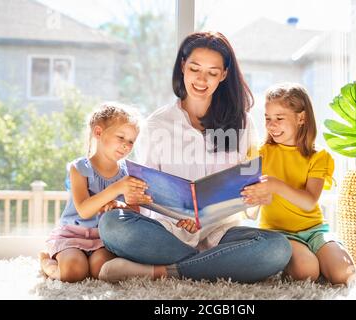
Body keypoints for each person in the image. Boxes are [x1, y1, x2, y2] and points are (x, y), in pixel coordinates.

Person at [98, 31, 292, 283]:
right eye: (195, 69)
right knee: (112, 225)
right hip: (170, 232)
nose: (202, 79)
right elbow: (143, 190)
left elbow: (249, 187)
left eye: (212, 72)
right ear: (182, 67)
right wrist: (132, 199)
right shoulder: (157, 124)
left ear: (223, 75)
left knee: (277, 248)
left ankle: (165, 271)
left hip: (223, 232)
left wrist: (259, 195)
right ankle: (216, 263)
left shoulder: (242, 123)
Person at [240, 83, 356, 285]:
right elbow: (248, 207)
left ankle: (324, 256)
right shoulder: (259, 154)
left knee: (344, 274)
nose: (271, 125)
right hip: (278, 234)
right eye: (267, 118)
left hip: (315, 230)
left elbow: (309, 202)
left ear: (301, 118)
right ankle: (309, 262)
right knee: (307, 272)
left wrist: (276, 185)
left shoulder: (318, 156)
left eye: (279, 118)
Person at [39, 102, 159, 282]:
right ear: (98, 132)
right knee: (74, 272)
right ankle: (47, 262)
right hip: (73, 234)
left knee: (100, 271)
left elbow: (135, 212)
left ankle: (86, 262)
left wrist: (121, 206)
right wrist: (117, 188)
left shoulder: (128, 172)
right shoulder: (79, 168)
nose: (126, 145)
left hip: (105, 238)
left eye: (131, 141)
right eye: (121, 137)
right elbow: (84, 210)